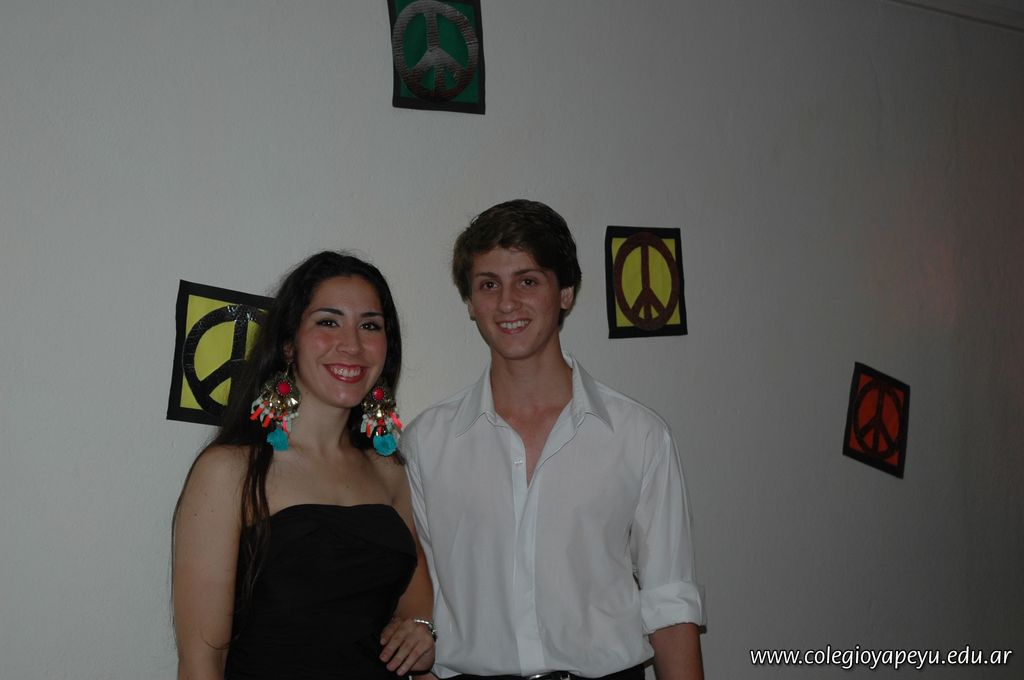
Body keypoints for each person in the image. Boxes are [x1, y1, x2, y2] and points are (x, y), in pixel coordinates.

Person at [404, 200, 705, 680]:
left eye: (527, 281)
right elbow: (413, 599)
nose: (507, 303)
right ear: (470, 303)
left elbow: (670, 605)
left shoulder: (639, 436)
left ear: (565, 293)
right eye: (488, 285)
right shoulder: (426, 443)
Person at [173, 251, 436, 680]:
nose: (352, 344)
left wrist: (421, 631)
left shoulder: (388, 470)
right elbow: (202, 662)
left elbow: (415, 605)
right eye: (328, 322)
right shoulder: (228, 472)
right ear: (288, 344)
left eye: (370, 325)